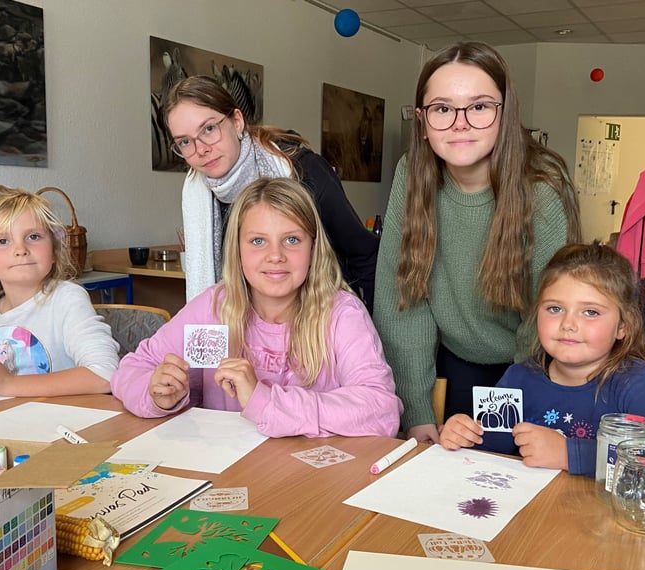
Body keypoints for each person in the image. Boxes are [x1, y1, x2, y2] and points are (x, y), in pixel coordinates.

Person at [374, 41, 581, 444]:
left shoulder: (542, 188)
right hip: (446, 365)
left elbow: (547, 317)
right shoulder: (412, 174)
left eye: (480, 106)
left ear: (505, 114)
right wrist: (417, 412)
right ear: (421, 119)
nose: (460, 123)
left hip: (531, 366)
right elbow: (403, 300)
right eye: (442, 108)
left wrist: (507, 414)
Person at [110, 177, 401, 438]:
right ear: (236, 248)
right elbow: (131, 370)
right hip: (230, 477)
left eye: (291, 240)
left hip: (311, 483)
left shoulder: (340, 314)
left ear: (313, 248)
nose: (275, 256)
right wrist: (157, 393)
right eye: (258, 241)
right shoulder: (214, 310)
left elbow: (381, 410)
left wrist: (264, 401)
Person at [439, 243, 645, 476]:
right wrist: (466, 436)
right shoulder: (518, 378)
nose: (568, 324)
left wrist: (571, 454)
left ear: (623, 325)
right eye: (555, 309)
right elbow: (493, 448)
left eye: (590, 312)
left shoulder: (638, 384)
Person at [163, 75, 378, 312]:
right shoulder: (198, 195)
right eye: (184, 142)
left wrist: (371, 335)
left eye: (210, 129)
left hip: (322, 320)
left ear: (236, 121)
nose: (201, 149)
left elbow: (365, 257)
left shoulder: (304, 171)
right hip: (248, 332)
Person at [0, 185, 119, 396]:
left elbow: (105, 375)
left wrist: (7, 384)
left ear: (54, 250)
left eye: (33, 237)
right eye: (3, 241)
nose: (20, 250)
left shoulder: (66, 299)